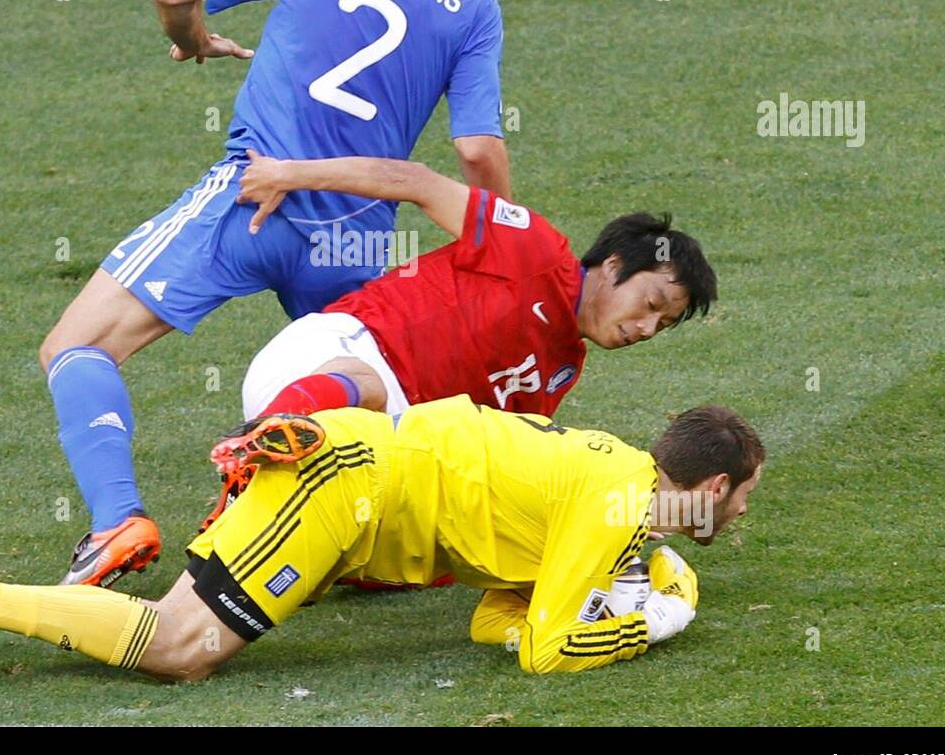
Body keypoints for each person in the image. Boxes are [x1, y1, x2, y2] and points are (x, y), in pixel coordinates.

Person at [39, 0, 511, 589]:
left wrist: (192, 41)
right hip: (353, 242)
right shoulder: (474, 6)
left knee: (76, 347)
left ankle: (117, 519)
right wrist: (506, 239)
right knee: (363, 396)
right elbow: (479, 151)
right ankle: (359, 548)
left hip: (253, 199)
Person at [0, 399, 764, 704]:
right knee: (182, 650)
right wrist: (654, 621)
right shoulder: (614, 505)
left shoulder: (616, 485)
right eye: (747, 496)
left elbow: (502, 617)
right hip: (345, 487)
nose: (744, 515)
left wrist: (620, 589)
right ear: (713, 489)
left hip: (349, 473)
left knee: (180, 640)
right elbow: (542, 651)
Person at [197, 150, 717, 535]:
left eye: (663, 326)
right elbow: (414, 181)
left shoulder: (562, 367)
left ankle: (282, 526)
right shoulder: (534, 249)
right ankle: (253, 458)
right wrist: (289, 174)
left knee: (417, 527)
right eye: (651, 305)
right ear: (613, 265)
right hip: (319, 364)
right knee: (372, 393)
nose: (648, 329)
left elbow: (503, 465)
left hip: (365, 444)